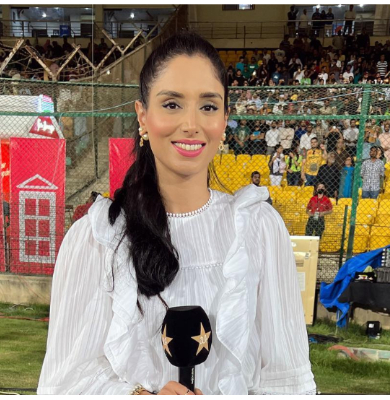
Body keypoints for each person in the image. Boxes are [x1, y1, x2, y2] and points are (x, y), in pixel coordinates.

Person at [38, 32, 316, 395]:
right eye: (171, 104)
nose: (191, 123)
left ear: (224, 120)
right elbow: (65, 383)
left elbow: (287, 378)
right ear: (142, 115)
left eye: (208, 106)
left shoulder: (259, 230)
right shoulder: (97, 238)